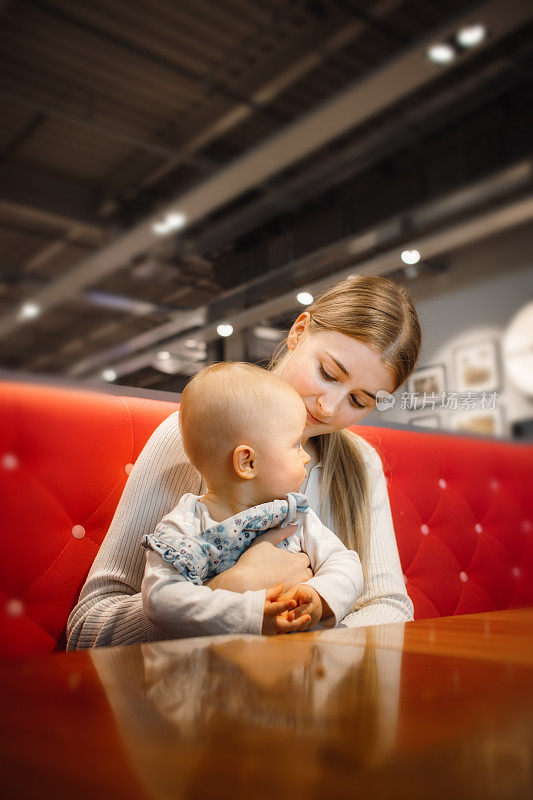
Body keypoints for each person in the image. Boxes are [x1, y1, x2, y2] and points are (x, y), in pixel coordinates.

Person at [67, 274, 421, 650]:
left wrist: (304, 642)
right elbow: (88, 627)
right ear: (299, 331)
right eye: (328, 374)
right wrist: (231, 590)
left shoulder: (361, 462)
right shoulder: (190, 436)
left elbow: (390, 606)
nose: (328, 407)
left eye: (359, 402)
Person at [140, 362, 364, 637]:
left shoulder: (294, 514)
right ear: (247, 461)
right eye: (296, 444)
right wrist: (249, 613)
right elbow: (161, 599)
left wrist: (318, 596)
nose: (305, 455)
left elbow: (346, 564)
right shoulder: (185, 528)